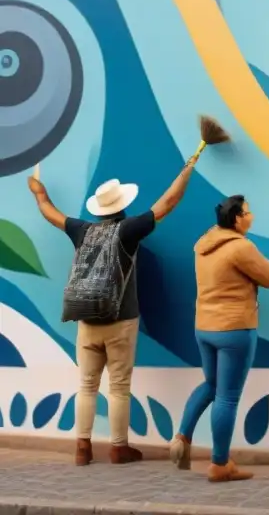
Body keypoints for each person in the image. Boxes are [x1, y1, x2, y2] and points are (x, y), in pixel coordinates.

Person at [27, 162, 196, 466]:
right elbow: (167, 203)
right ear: (122, 205)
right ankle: (119, 448)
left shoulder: (83, 230)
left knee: (87, 384)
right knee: (118, 385)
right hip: (121, 321)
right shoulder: (128, 230)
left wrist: (39, 193)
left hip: (87, 319)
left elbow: (50, 213)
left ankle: (82, 447)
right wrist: (187, 170)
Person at [169, 194, 269, 483]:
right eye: (249, 212)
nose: (252, 217)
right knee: (227, 397)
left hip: (204, 327)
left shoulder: (204, 242)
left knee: (211, 385)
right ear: (237, 218)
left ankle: (182, 436)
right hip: (234, 330)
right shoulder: (240, 248)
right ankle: (220, 463)